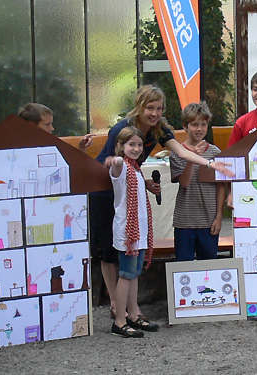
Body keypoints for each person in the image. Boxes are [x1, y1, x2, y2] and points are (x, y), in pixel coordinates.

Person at [91, 85, 232, 322]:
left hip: (127, 188)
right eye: (149, 108)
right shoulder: (123, 129)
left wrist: (209, 164)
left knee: (133, 252)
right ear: (139, 106)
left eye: (159, 108)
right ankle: (116, 304)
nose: (154, 114)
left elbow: (179, 150)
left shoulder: (159, 130)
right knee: (108, 251)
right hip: (104, 191)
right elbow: (114, 166)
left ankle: (131, 309)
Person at [109, 126, 157, 338]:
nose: (136, 149)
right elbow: (116, 166)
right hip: (128, 232)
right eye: (131, 145)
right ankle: (120, 320)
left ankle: (133, 313)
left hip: (139, 232)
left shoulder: (137, 169)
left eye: (139, 145)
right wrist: (115, 160)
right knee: (126, 275)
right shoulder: (122, 168)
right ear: (121, 146)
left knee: (134, 274)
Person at [170, 102, 223, 261]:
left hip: (209, 221)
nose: (199, 129)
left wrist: (219, 217)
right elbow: (184, 183)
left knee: (208, 266)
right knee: (183, 267)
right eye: (194, 125)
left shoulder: (215, 152)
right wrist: (192, 157)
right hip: (185, 221)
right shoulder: (177, 152)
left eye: (203, 124)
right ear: (185, 127)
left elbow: (221, 186)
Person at [0, 102, 95, 152]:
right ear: (31, 127)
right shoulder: (12, 146)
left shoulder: (52, 146)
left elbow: (71, 169)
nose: (52, 128)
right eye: (47, 124)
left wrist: (81, 148)